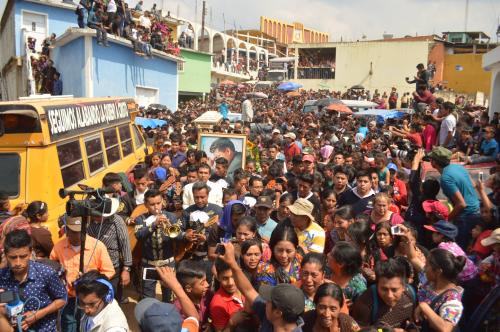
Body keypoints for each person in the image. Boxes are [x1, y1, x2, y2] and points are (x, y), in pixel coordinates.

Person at [217, 241, 306, 331]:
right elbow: (248, 290)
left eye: (268, 301)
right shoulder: (272, 317)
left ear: (278, 313)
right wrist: (232, 263)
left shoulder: (270, 316)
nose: (264, 302)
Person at [50, 215, 115, 332]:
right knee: (69, 326)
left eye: (80, 231)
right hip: (69, 298)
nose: (77, 235)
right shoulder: (58, 247)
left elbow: (109, 271)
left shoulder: (98, 246)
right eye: (73, 232)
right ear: (66, 230)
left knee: (89, 326)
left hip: (91, 300)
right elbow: (52, 270)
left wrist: (90, 279)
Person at [0, 229, 67, 332]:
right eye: (13, 257)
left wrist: (38, 315)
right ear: (5, 254)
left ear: (31, 253)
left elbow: (62, 299)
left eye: (23, 256)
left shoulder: (46, 273)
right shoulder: (2, 276)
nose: (18, 262)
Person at [427, 146, 480, 249]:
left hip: (466, 216)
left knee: (460, 248)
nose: (430, 161)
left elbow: (461, 204)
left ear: (435, 162)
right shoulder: (458, 167)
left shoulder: (445, 178)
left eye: (431, 159)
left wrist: (447, 219)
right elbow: (472, 184)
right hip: (477, 209)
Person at [134, 189, 182, 301]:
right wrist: (154, 224)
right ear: (146, 204)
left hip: (168, 264)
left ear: (163, 202)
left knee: (168, 296)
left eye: (158, 203)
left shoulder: (171, 216)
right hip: (149, 264)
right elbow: (139, 235)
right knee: (148, 297)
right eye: (152, 204)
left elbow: (179, 236)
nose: (156, 207)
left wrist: (169, 226)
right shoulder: (140, 219)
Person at [351, 258, 416, 329]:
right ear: (377, 285)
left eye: (394, 290)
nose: (389, 296)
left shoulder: (411, 295)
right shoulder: (365, 303)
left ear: (403, 287)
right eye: (384, 289)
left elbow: (412, 322)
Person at [415, 249, 465, 332]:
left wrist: (424, 306)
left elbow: (446, 329)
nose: (424, 268)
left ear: (438, 272)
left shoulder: (453, 300)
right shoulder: (430, 284)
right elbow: (413, 259)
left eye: (427, 265)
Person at [209, 258, 247, 331]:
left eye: (233, 276)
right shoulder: (217, 304)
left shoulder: (246, 287)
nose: (230, 283)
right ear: (218, 277)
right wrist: (231, 322)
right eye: (225, 278)